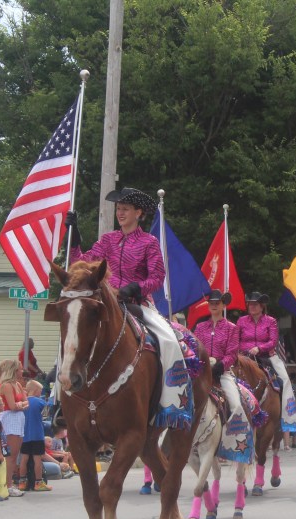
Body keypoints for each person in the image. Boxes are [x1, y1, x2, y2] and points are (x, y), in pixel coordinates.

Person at [66, 186, 191, 431]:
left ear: (138, 213)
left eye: (125, 209)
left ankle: (171, 401)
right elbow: (82, 264)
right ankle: (64, 399)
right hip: (106, 303)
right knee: (74, 336)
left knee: (169, 341)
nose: (120, 213)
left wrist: (136, 287)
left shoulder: (149, 242)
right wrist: (74, 237)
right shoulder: (108, 240)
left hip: (137, 304)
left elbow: (157, 277)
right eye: (118, 209)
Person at [192, 289, 255, 462]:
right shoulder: (200, 327)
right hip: (202, 372)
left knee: (236, 405)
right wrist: (199, 364)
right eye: (211, 303)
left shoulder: (231, 328)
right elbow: (195, 348)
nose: (214, 305)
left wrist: (221, 365)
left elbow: (232, 353)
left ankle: (230, 444)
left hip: (222, 373)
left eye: (217, 303)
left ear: (223, 305)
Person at [237, 291, 296, 435]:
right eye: (250, 304)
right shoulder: (241, 321)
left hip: (266, 357)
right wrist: (246, 350)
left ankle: (285, 416)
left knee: (284, 380)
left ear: (262, 306)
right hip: (244, 357)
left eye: (255, 304)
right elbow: (236, 340)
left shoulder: (270, 321)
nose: (252, 307)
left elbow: (273, 341)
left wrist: (259, 348)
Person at [0, 360, 27, 497]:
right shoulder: (7, 385)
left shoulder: (17, 384)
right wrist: (21, 404)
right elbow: (12, 406)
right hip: (10, 419)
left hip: (18, 419)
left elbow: (26, 402)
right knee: (10, 455)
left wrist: (20, 405)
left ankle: (8, 483)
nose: (22, 372)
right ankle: (7, 485)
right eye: (20, 369)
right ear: (14, 370)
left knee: (15, 454)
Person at [19, 380, 51, 492]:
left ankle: (22, 482)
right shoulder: (40, 402)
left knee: (24, 458)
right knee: (37, 459)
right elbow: (45, 415)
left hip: (25, 434)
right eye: (40, 390)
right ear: (36, 390)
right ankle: (38, 482)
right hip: (37, 434)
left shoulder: (23, 402)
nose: (40, 392)